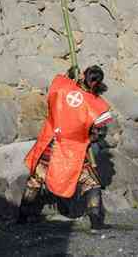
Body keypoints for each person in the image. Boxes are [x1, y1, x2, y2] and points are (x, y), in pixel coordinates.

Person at [19, 66, 114, 229]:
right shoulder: (96, 104)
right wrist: (89, 137)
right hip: (75, 150)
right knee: (91, 182)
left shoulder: (62, 86)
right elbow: (96, 133)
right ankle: (96, 222)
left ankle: (22, 217)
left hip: (51, 142)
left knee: (35, 179)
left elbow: (56, 89)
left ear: (83, 75)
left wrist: (70, 75)